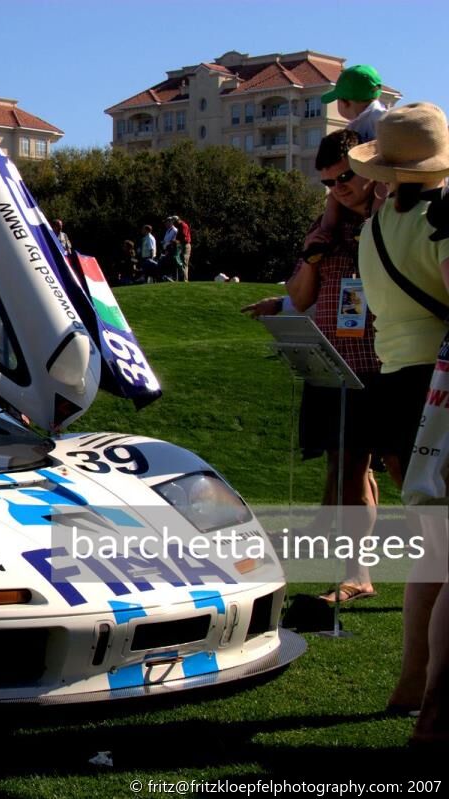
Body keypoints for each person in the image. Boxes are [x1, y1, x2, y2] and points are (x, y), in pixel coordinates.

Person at [241, 130, 383, 606]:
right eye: (329, 182)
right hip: (333, 366)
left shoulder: (393, 219)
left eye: (347, 176)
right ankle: (356, 572)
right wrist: (314, 249)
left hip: (387, 366)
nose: (340, 187)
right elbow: (302, 297)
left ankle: (384, 573)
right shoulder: (326, 230)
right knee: (347, 471)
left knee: (403, 475)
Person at [348, 102, 449, 745]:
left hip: (395, 383)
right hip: (440, 387)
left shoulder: (377, 222)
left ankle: (412, 684)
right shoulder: (445, 217)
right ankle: (436, 711)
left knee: (433, 553)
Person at [305, 65, 390, 261]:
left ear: (345, 102)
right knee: (336, 190)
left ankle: (370, 226)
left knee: (379, 187)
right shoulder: (380, 116)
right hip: (370, 173)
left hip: (379, 175)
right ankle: (328, 233)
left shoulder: (376, 120)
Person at [175, 217, 192, 282]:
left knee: (184, 262)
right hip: (182, 245)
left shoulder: (183, 225)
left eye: (175, 222)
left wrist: (177, 241)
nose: (174, 224)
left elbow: (184, 237)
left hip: (185, 245)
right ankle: (181, 279)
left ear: (178, 220)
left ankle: (185, 279)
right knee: (180, 262)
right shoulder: (179, 226)